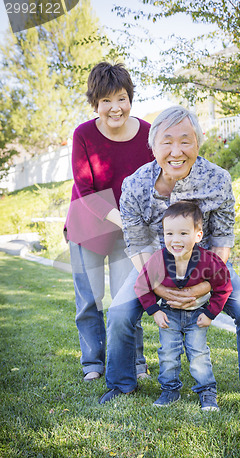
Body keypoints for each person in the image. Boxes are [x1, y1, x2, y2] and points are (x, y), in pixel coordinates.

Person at [99, 105, 240, 404]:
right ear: (153, 146)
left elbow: (223, 238)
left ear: (198, 142)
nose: (176, 151)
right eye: (167, 142)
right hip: (153, 266)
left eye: (185, 141)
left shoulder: (218, 179)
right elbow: (136, 242)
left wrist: (205, 286)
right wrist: (159, 288)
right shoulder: (133, 185)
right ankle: (122, 384)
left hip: (209, 265)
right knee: (120, 313)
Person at [64, 62, 154, 381]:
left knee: (126, 298)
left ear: (130, 98)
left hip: (126, 231)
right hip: (88, 225)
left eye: (121, 98)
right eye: (106, 101)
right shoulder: (83, 135)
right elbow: (87, 190)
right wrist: (127, 221)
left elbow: (154, 183)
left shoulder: (147, 134)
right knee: (90, 300)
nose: (115, 108)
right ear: (95, 104)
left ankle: (135, 361)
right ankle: (92, 363)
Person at [134, 201, 233, 410]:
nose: (175, 240)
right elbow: (142, 285)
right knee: (168, 354)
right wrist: (154, 311)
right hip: (169, 314)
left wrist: (210, 313)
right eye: (169, 234)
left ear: (198, 235)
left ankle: (207, 392)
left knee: (198, 354)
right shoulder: (158, 259)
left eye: (183, 233)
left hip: (197, 315)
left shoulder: (208, 261)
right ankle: (170, 390)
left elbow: (223, 286)